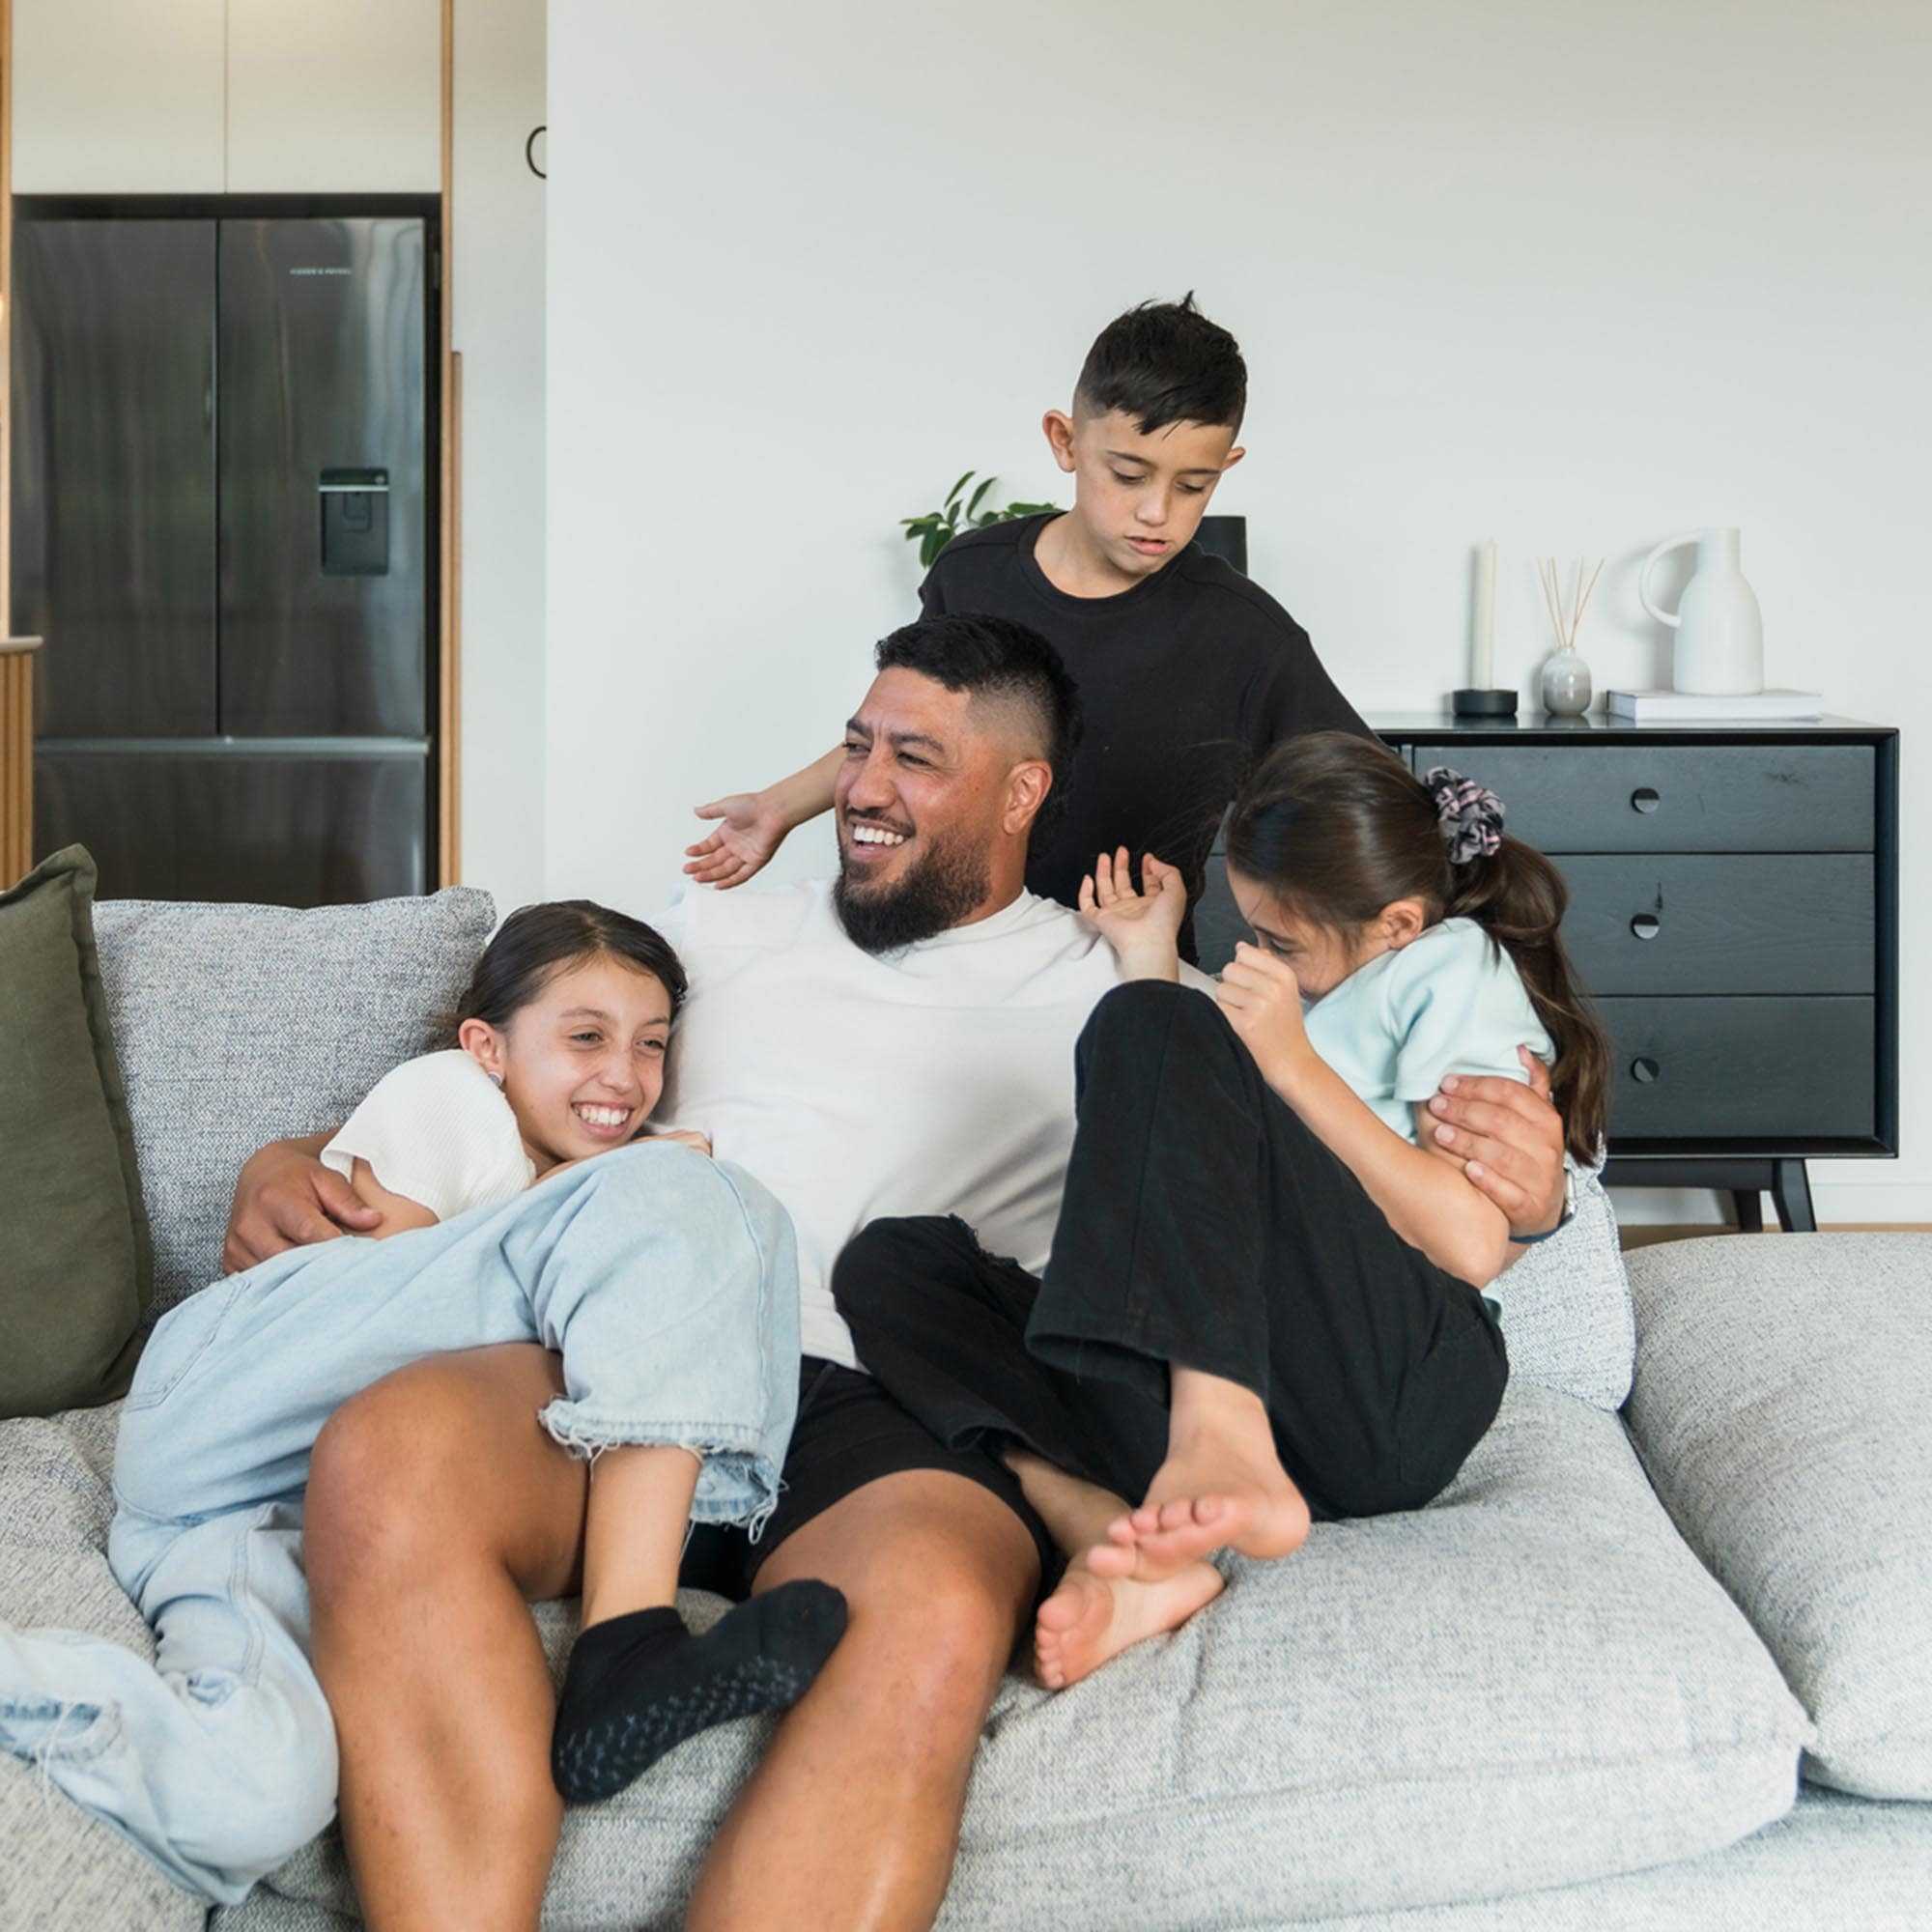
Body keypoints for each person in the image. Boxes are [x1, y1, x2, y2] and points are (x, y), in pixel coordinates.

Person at [223, 616, 1574, 1931]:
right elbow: (526, 1066)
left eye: (914, 760)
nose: (863, 790)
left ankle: (1143, 1501)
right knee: (386, 1457)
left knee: (927, 1603)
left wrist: (1536, 1199)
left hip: (881, 1420)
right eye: (856, 747)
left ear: (1020, 791)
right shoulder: (717, 922)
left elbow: (1303, 1187)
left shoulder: (1109, 982)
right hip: (624, 1354)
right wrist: (298, 1152)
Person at [0, 902, 839, 1908]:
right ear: (485, 1045)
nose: (623, 1073)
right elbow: (388, 1270)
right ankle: (631, 1641)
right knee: (700, 1199)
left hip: (230, 1524)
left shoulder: (556, 1166)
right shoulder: (447, 1097)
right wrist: (626, 1190)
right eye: (585, 1037)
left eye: (649, 1043)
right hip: (224, 1392)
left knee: (258, 1793)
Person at [833, 732, 1613, 1690]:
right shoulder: (1329, 994)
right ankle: (1107, 1533)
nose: (1255, 955)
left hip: (1396, 1387)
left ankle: (1216, 1432)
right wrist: (1149, 951)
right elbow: (1187, 1147)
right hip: (1278, 1405)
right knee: (893, 1261)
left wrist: (1287, 1061)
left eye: (1277, 939)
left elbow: (1465, 1242)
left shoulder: (1447, 973)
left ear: (1397, 924)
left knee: (1150, 1020)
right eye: (1248, 929)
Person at [683, 293, 1368, 962]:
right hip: (955, 944)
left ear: (1227, 467)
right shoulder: (975, 574)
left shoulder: (1246, 635)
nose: (1157, 512)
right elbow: (908, 737)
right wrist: (778, 806)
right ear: (1065, 441)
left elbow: (1365, 805)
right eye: (1128, 475)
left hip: (1125, 967)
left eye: (1193, 486)